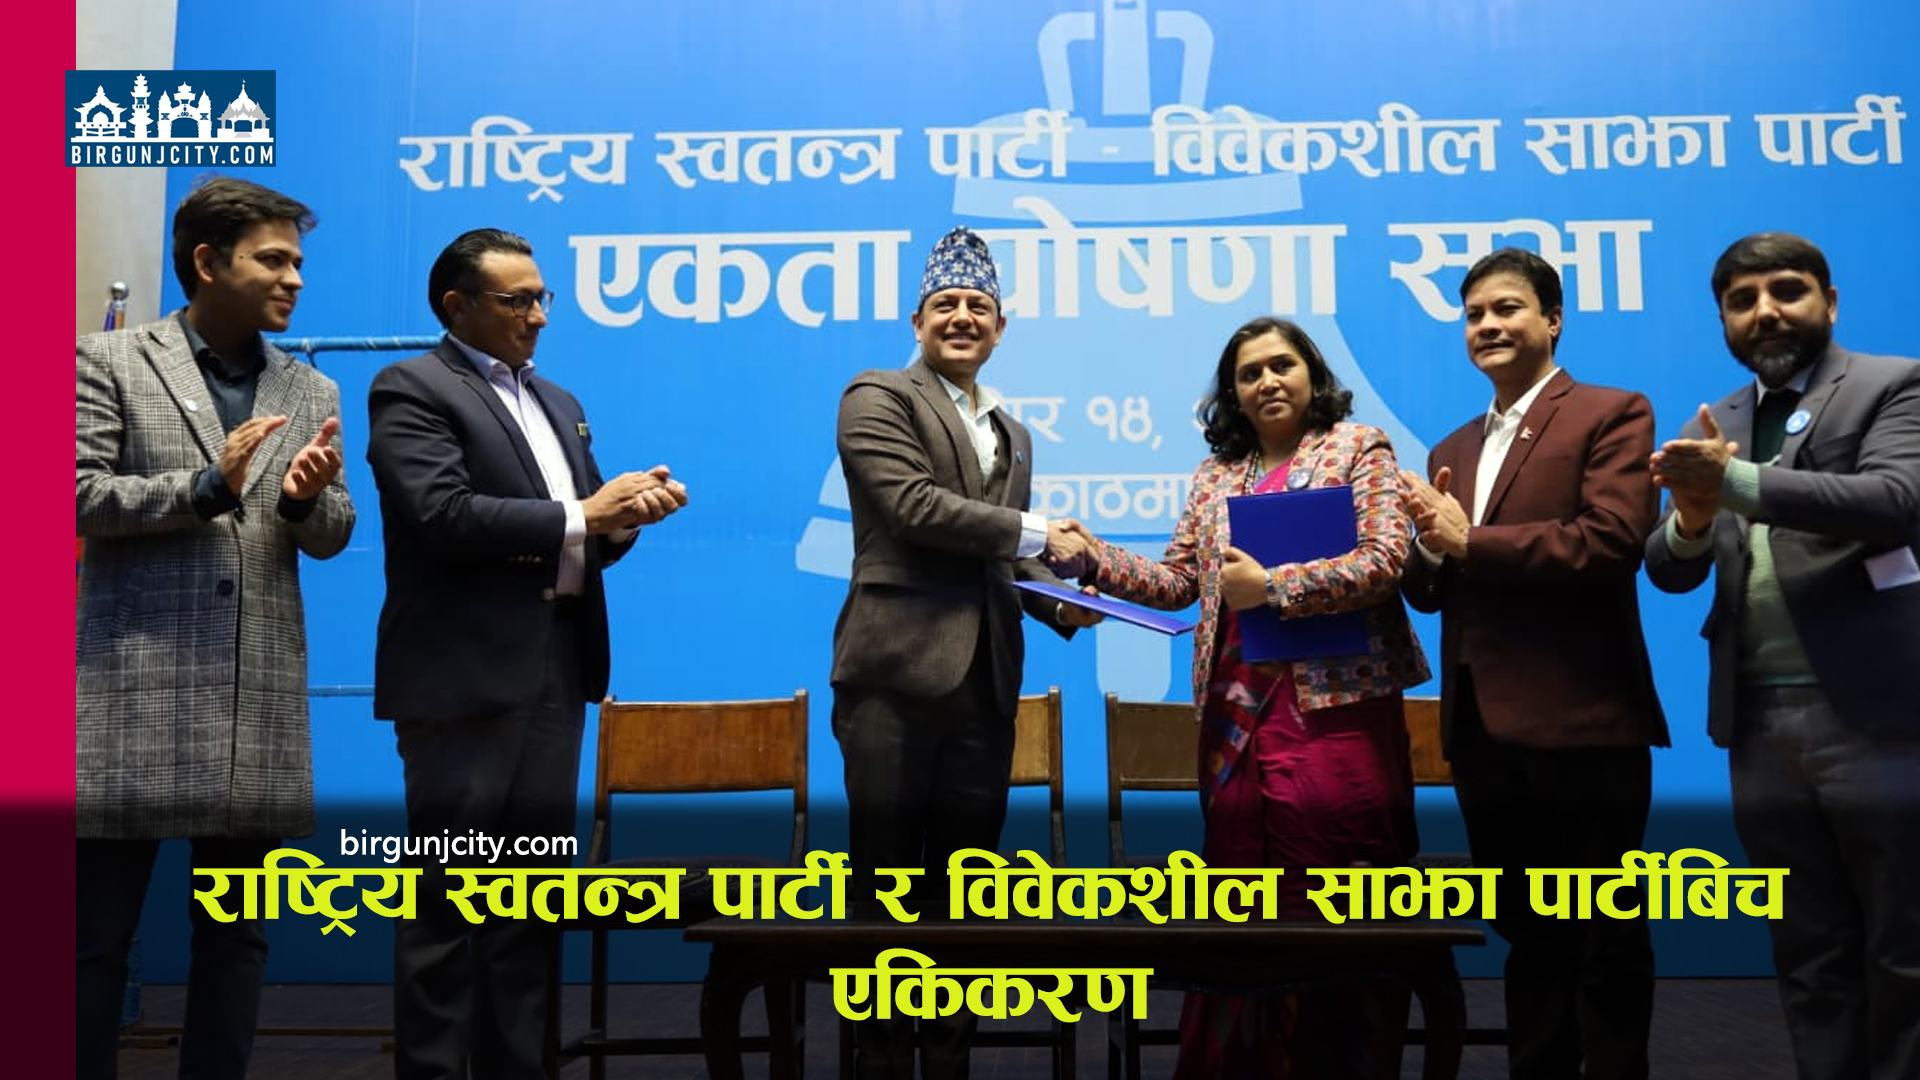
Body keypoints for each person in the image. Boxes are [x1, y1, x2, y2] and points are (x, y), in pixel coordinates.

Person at [1067, 315, 1429, 1078]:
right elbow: (1179, 581)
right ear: (1231, 394)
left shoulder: (1356, 448)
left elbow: (1385, 561)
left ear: (1312, 374)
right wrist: (1095, 561)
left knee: (1343, 902)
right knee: (1244, 905)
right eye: (1248, 373)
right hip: (1236, 723)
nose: (1267, 381)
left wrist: (1274, 588)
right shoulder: (1215, 475)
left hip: (1337, 719)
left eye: (1281, 365)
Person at [366, 228, 687, 1080]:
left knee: (527, 906)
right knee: (446, 907)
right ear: (457, 306)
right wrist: (588, 513)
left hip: (556, 670)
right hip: (462, 681)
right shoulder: (412, 387)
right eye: (519, 300)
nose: (539, 315)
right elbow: (440, 516)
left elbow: (579, 532)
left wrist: (626, 517)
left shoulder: (557, 399)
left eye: (543, 297)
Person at [76, 176, 354, 1080]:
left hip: (254, 701)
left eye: (298, 262)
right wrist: (204, 487)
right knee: (93, 940)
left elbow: (335, 532)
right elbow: (77, 495)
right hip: (130, 695)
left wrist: (306, 501)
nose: (295, 279)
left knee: (237, 940)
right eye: (273, 260)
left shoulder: (309, 386)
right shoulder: (109, 361)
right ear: (206, 261)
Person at [1644, 232, 1920, 1080]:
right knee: (1806, 946)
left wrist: (1729, 484)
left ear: (1829, 302)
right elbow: (1669, 567)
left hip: (1877, 714)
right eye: (1742, 300)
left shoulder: (1891, 383)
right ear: (1724, 321)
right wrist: (1693, 519)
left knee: (1904, 946)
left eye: (1786, 291)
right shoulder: (1718, 422)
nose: (1765, 311)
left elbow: (1894, 500)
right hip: (1759, 720)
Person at [831, 225, 1100, 1080]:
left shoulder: (1014, 433)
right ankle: (880, 1065)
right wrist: (1040, 532)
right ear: (917, 320)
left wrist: (1064, 601)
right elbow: (912, 508)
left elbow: (999, 557)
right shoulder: (876, 395)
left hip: (985, 682)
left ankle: (948, 1063)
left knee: (964, 893)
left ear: (1000, 327)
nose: (961, 317)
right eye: (945, 304)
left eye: (978, 305)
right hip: (892, 676)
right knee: (884, 889)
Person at [1399, 247, 1666, 1080]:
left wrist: (1468, 540)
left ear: (1552, 320)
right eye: (1474, 314)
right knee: (1529, 932)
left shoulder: (1610, 413)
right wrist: (1430, 546)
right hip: (1482, 731)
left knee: (1605, 933)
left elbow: (1612, 541)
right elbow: (1431, 590)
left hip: (1584, 721)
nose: (1487, 325)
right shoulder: (1451, 446)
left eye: (1506, 308)